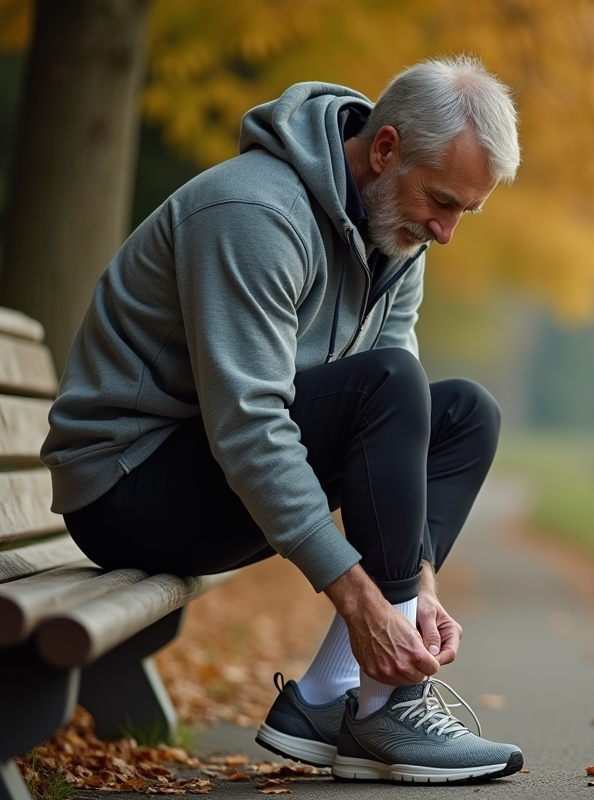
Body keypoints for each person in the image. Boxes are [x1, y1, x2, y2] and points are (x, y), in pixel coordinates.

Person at [40, 55, 523, 785]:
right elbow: (250, 425)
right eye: (443, 201)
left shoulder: (397, 226)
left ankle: (330, 698)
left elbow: (404, 413)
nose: (447, 230)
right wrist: (360, 598)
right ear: (385, 148)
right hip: (126, 486)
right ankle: (385, 701)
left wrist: (416, 582)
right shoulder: (254, 213)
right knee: (391, 383)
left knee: (463, 413)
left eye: (464, 210)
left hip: (208, 472)